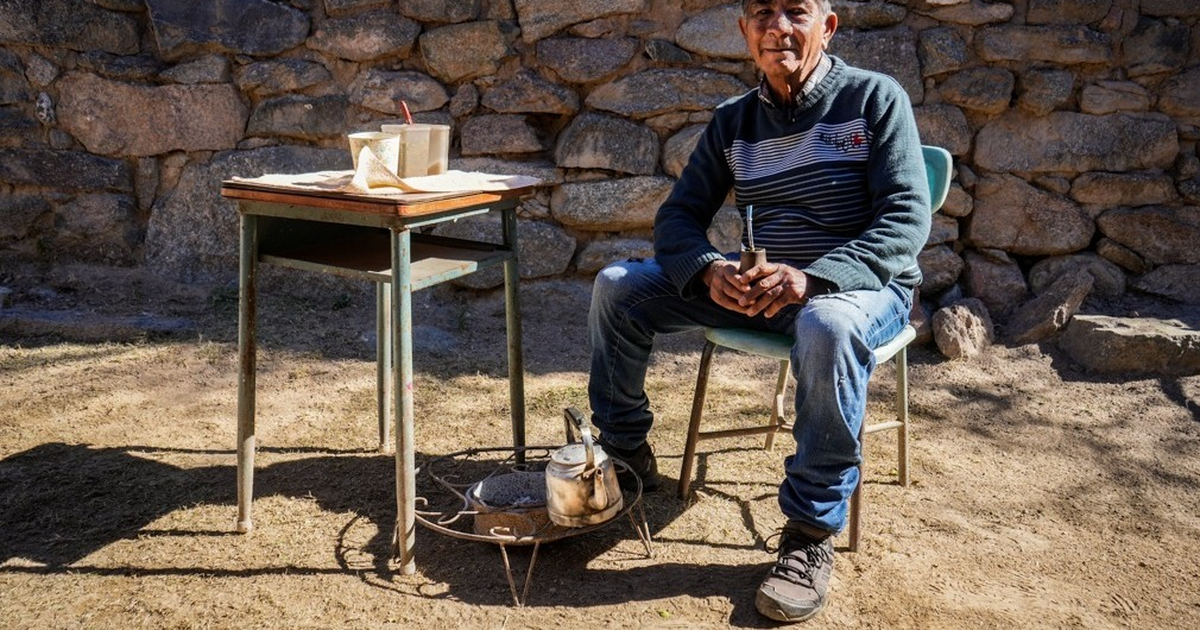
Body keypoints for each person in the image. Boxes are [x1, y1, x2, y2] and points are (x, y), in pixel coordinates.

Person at [585, 0, 931, 623]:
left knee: (826, 324)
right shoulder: (735, 120)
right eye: (763, 14)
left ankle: (808, 535)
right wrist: (709, 270)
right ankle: (625, 456)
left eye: (796, 10)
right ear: (746, 35)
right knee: (617, 285)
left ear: (827, 27)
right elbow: (678, 218)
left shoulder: (875, 98)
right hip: (761, 289)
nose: (779, 27)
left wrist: (814, 279)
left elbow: (906, 219)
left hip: (859, 292)